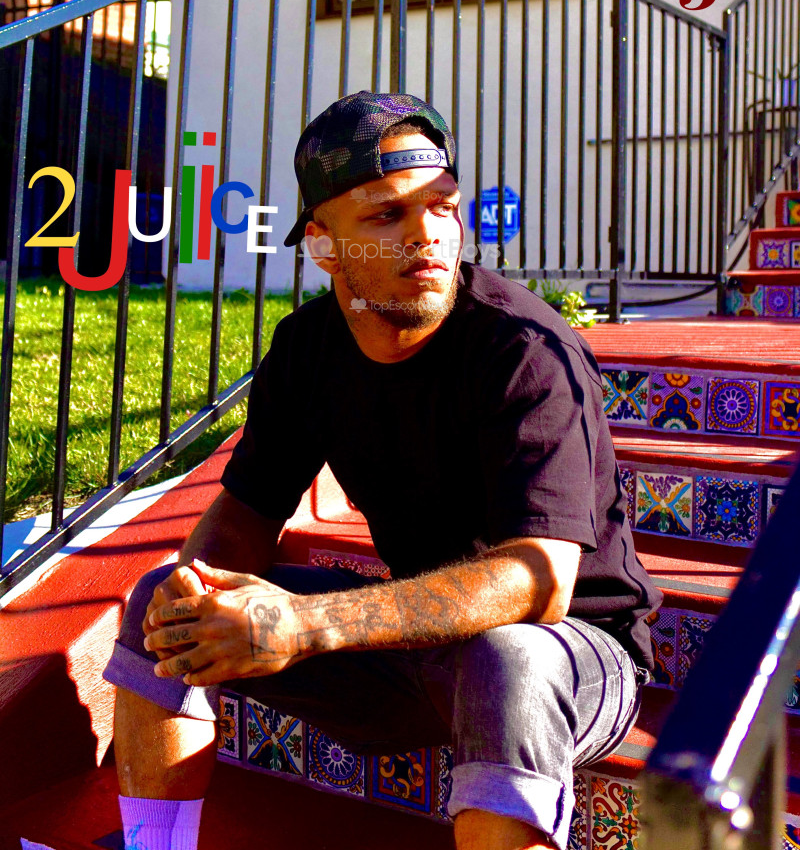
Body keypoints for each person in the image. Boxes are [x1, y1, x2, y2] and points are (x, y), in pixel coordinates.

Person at [104, 90, 661, 850]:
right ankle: (153, 844)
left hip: (571, 653)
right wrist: (194, 593)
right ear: (323, 245)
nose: (428, 235)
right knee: (159, 601)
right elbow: (246, 511)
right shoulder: (307, 349)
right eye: (386, 216)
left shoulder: (526, 351)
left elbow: (539, 582)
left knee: (506, 658)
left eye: (443, 207)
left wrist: (306, 623)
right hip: (412, 649)